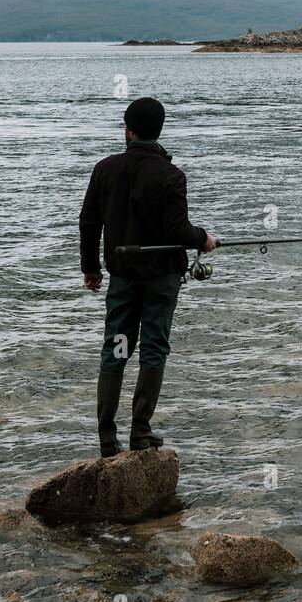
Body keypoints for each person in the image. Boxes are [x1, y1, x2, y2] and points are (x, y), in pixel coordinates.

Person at [79, 96, 215, 455]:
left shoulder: (105, 169)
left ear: (129, 130)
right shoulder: (171, 175)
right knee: (153, 348)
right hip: (161, 281)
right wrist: (204, 238)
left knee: (117, 348)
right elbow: (178, 230)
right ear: (158, 130)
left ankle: (108, 438)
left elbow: (89, 222)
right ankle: (141, 432)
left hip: (123, 279)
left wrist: (90, 268)